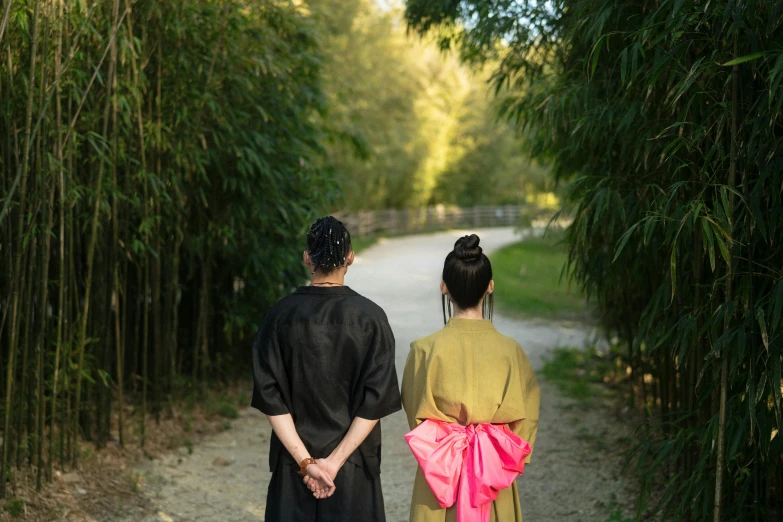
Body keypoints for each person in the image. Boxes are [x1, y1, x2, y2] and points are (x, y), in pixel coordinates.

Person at [251, 216, 401, 522]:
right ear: (350, 257)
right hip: (353, 468)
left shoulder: (279, 316)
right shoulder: (371, 319)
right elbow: (374, 403)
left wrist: (307, 462)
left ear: (307, 257)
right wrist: (333, 463)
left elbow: (271, 397)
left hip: (293, 467)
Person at [401, 234, 540, 522]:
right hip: (492, 477)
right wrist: (503, 460)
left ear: (444, 287)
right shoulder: (510, 350)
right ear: (490, 287)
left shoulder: (423, 350)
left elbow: (414, 411)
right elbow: (527, 417)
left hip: (440, 478)